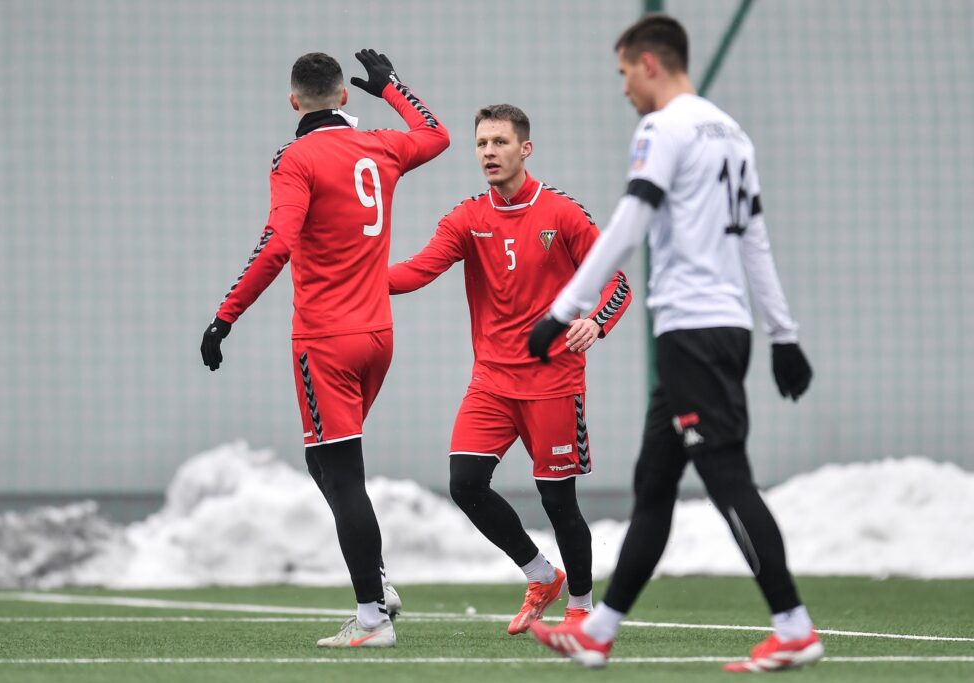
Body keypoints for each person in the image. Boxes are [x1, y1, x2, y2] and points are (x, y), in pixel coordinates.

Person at [527, 14, 822, 673]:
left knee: (727, 476)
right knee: (654, 483)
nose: (623, 88)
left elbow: (630, 221)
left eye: (624, 73)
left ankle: (794, 626)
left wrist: (563, 309)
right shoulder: (732, 133)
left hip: (690, 332)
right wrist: (782, 335)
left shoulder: (664, 128)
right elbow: (755, 239)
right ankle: (598, 631)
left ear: (650, 64)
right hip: (724, 329)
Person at [200, 49, 449, 648]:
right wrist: (393, 87)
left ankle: (372, 617)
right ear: (344, 96)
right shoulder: (381, 147)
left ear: (293, 101)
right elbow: (436, 135)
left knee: (342, 472)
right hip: (378, 336)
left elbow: (277, 244)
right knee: (325, 463)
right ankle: (377, 582)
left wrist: (225, 316)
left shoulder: (295, 158)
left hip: (326, 341)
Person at [388, 104, 631, 635]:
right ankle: (541, 575)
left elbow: (617, 283)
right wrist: (356, 276)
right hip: (491, 383)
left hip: (553, 382)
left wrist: (596, 322)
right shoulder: (467, 217)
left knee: (558, 500)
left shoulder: (562, 214)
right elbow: (418, 270)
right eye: (481, 143)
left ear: (526, 149)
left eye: (499, 142)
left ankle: (582, 609)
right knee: (465, 484)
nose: (489, 152)